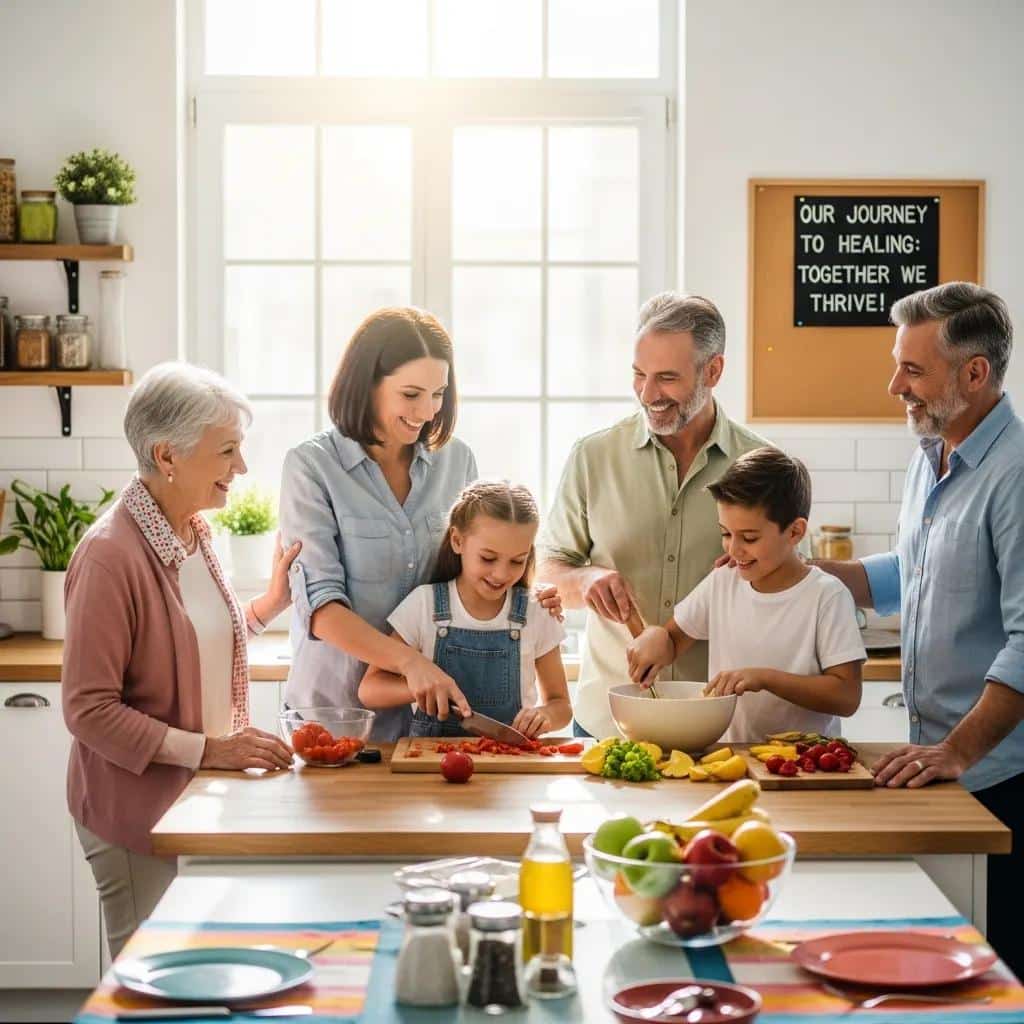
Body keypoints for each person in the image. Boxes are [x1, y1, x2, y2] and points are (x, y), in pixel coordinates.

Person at [813, 282, 1024, 975]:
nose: (893, 384)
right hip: (940, 765)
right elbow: (911, 570)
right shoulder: (930, 454)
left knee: (1000, 974)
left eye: (913, 368)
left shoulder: (1015, 475)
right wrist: (802, 570)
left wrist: (958, 751)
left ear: (974, 373)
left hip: (998, 777)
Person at [61, 363, 299, 957]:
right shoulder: (110, 556)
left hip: (193, 799)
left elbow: (187, 645)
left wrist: (268, 605)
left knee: (197, 975)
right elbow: (89, 709)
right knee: (149, 985)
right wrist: (210, 750)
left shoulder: (189, 532)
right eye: (226, 451)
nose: (240, 468)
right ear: (167, 456)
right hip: (136, 812)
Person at [279, 308, 560, 742]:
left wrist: (519, 591)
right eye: (411, 394)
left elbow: (466, 565)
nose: (427, 411)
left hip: (434, 724)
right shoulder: (311, 467)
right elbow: (321, 610)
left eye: (438, 394)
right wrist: (410, 663)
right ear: (366, 384)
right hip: (338, 718)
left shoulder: (457, 460)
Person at [538, 292, 768, 738]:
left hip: (720, 723)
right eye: (639, 375)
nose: (648, 394)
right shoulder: (593, 456)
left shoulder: (760, 463)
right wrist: (585, 581)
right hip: (607, 722)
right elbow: (545, 575)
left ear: (713, 370)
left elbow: (790, 591)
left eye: (666, 378)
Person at [626, 448, 864, 741]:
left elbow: (846, 696)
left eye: (749, 538)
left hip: (803, 767)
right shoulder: (723, 582)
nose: (734, 550)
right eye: (726, 533)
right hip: (731, 761)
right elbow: (673, 640)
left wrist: (764, 678)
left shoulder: (827, 596)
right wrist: (655, 637)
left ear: (795, 532)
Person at [359, 480, 571, 738]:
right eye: (488, 558)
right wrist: (419, 686)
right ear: (458, 541)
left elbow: (561, 705)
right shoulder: (423, 604)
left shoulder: (536, 611)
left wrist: (545, 716)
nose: (502, 574)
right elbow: (369, 690)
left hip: (510, 768)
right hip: (433, 766)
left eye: (518, 561)